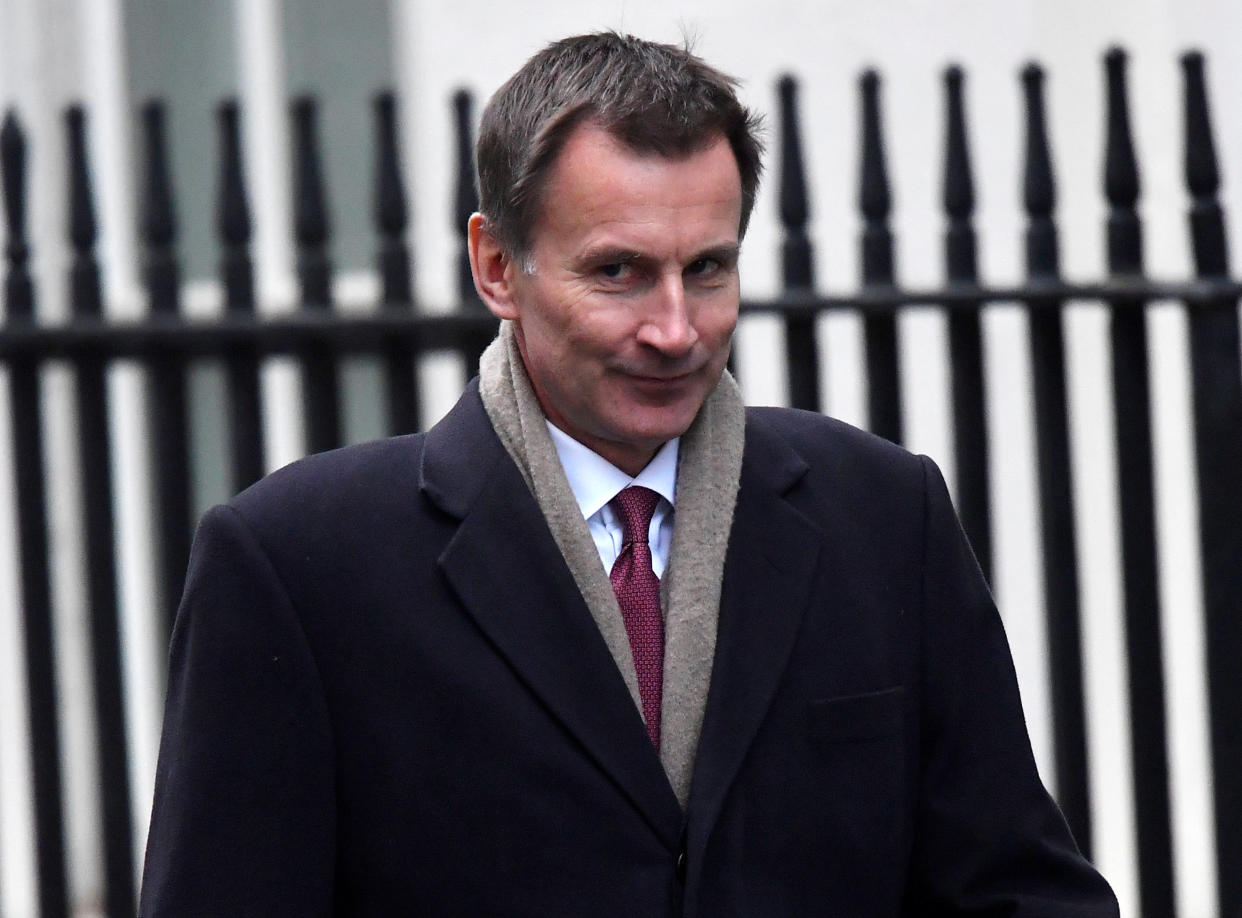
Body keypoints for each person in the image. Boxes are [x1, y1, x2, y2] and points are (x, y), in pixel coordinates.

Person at [139, 32, 1118, 916]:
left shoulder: (884, 516)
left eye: (707, 269)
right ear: (496, 267)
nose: (675, 330)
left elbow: (1017, 891)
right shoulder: (299, 564)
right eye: (618, 272)